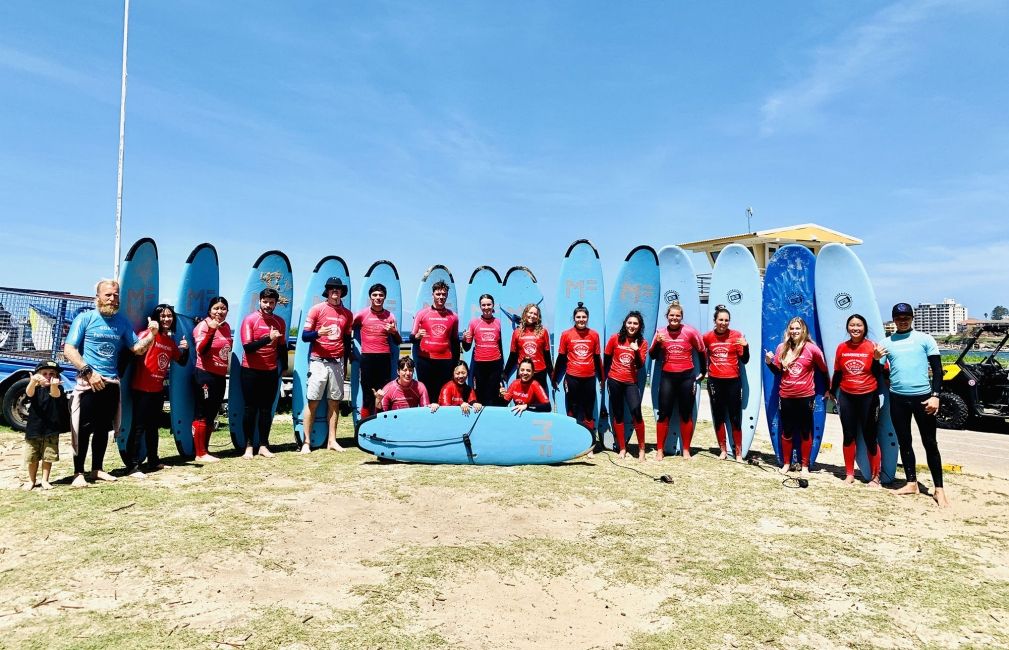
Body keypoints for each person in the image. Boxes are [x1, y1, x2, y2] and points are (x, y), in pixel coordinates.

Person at [64, 279, 158, 488]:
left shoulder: (122, 322)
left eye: (115, 295)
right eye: (108, 295)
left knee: (103, 429)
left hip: (111, 383)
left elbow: (137, 349)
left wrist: (152, 335)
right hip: (89, 382)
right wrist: (88, 372)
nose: (112, 299)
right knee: (82, 428)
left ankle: (97, 469)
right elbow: (69, 349)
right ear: (97, 297)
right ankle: (78, 472)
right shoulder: (85, 318)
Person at [878, 302, 949, 507]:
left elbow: (937, 370)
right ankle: (911, 483)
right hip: (898, 398)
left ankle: (939, 489)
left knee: (930, 443)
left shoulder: (925, 339)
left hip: (923, 398)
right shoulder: (886, 343)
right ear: (894, 319)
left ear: (912, 318)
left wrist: (936, 395)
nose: (902, 320)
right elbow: (879, 372)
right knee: (904, 441)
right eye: (899, 317)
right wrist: (876, 360)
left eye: (906, 317)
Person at [126, 304, 189, 477]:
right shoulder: (147, 335)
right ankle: (132, 466)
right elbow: (136, 352)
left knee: (153, 427)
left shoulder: (169, 342)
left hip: (157, 390)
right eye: (163, 316)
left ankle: (153, 460)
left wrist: (186, 350)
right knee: (138, 427)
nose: (167, 319)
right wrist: (150, 334)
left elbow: (181, 361)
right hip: (141, 388)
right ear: (156, 318)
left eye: (170, 316)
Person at [824, 314, 884, 485]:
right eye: (852, 325)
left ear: (864, 328)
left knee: (870, 436)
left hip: (868, 397)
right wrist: (831, 390)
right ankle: (849, 474)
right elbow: (838, 372)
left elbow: (880, 375)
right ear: (847, 328)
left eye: (859, 325)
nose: (855, 328)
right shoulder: (842, 347)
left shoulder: (873, 347)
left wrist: (877, 360)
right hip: (847, 397)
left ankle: (875, 476)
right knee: (848, 435)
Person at [764, 317, 828, 476]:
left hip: (806, 396)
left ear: (803, 330)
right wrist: (769, 362)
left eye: (797, 328)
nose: (794, 331)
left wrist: (828, 389)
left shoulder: (812, 349)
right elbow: (778, 372)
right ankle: (786, 463)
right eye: (792, 328)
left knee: (805, 431)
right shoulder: (782, 347)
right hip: (786, 396)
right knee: (787, 431)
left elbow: (824, 369)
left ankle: (805, 466)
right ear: (788, 330)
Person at [300, 277, 353, 453]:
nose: (335, 291)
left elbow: (346, 341)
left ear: (342, 292)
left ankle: (332, 441)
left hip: (337, 363)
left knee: (334, 403)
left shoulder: (347, 314)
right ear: (327, 291)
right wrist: (318, 333)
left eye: (338, 289)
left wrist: (344, 365)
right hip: (318, 362)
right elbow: (305, 336)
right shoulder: (317, 309)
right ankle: (306, 443)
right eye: (331, 289)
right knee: (313, 402)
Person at [649, 302, 706, 460]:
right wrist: (658, 343)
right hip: (667, 377)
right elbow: (652, 355)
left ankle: (686, 449)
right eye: (671, 315)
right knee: (664, 414)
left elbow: (702, 351)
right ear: (667, 317)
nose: (674, 318)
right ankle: (660, 449)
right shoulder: (660, 333)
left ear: (681, 317)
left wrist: (703, 371)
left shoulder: (690, 332)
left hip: (686, 377)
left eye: (677, 315)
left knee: (686, 414)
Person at [239, 287, 288, 460]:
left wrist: (283, 368)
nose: (268, 305)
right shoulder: (250, 320)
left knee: (266, 410)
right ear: (259, 301)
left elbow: (282, 347)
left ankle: (264, 445)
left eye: (271, 302)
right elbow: (248, 348)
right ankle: (248, 446)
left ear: (276, 304)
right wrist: (268, 338)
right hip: (250, 371)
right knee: (250, 409)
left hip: (270, 371)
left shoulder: (280, 322)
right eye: (265, 302)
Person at [554, 302, 603, 452]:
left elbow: (597, 358)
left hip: (589, 378)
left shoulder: (594, 334)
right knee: (572, 410)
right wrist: (555, 377)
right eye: (578, 317)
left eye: (584, 317)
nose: (581, 319)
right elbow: (561, 358)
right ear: (574, 318)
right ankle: (571, 442)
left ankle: (589, 445)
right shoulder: (566, 334)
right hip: (572, 378)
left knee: (588, 411)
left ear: (587, 318)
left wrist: (602, 378)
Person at [702, 305, 749, 461]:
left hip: (733, 381)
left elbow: (745, 360)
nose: (723, 323)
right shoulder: (707, 337)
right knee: (719, 416)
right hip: (715, 381)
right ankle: (722, 450)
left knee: (735, 417)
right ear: (715, 321)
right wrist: (702, 372)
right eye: (720, 320)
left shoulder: (736, 336)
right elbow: (702, 355)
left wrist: (746, 346)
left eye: (726, 320)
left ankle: (738, 453)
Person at [192, 296, 232, 463]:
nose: (219, 312)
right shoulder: (203, 325)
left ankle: (205, 450)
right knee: (202, 413)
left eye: (223, 308)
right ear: (210, 310)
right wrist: (211, 330)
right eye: (216, 308)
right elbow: (201, 350)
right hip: (204, 374)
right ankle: (200, 453)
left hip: (220, 376)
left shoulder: (227, 327)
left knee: (211, 414)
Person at [604, 311, 649, 460]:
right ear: (625, 323)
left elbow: (640, 365)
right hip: (614, 380)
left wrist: (636, 351)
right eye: (629, 322)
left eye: (635, 323)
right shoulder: (614, 339)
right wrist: (603, 379)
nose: (632, 326)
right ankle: (622, 448)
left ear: (640, 326)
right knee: (618, 414)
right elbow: (607, 359)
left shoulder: (642, 343)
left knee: (637, 413)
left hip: (631, 382)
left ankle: (642, 449)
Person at [353, 282, 401, 420]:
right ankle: (364, 429)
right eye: (375, 295)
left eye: (381, 295)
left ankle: (381, 427)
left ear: (384, 298)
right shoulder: (362, 315)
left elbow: (398, 341)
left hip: (384, 359)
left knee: (383, 395)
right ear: (370, 298)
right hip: (367, 359)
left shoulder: (390, 316)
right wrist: (350, 349)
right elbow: (347, 329)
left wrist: (394, 332)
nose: (378, 297)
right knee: (368, 396)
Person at [22, 360, 70, 490]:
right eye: (45, 373)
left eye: (52, 373)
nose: (48, 376)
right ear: (38, 375)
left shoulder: (58, 388)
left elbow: (55, 395)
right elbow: (29, 393)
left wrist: (53, 385)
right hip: (34, 429)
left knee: (47, 456)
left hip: (51, 429)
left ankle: (45, 480)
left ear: (57, 376)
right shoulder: (35, 388)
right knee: (32, 457)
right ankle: (31, 480)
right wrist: (33, 381)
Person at [411, 280, 460, 401]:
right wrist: (417, 337)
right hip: (425, 361)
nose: (441, 297)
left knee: (443, 394)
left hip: (445, 361)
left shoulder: (453, 316)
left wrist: (455, 363)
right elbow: (412, 337)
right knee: (427, 394)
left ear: (447, 295)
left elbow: (455, 342)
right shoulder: (422, 314)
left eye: (444, 294)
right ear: (432, 295)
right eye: (438, 294)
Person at [503, 304, 557, 394]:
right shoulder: (517, 332)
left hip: (539, 373)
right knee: (521, 401)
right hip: (523, 372)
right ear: (525, 314)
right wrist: (505, 373)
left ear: (538, 317)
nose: (532, 316)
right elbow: (513, 356)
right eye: (530, 313)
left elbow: (547, 357)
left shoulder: (543, 332)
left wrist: (552, 377)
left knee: (540, 403)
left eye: (535, 314)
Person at [462, 294, 504, 407]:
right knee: (479, 394)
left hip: (495, 364)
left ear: (493, 305)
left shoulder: (499, 323)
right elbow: (466, 348)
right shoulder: (474, 323)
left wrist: (503, 368)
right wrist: (464, 340)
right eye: (483, 305)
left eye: (489, 304)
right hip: (479, 365)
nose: (486, 307)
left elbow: (502, 346)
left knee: (493, 395)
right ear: (480, 307)